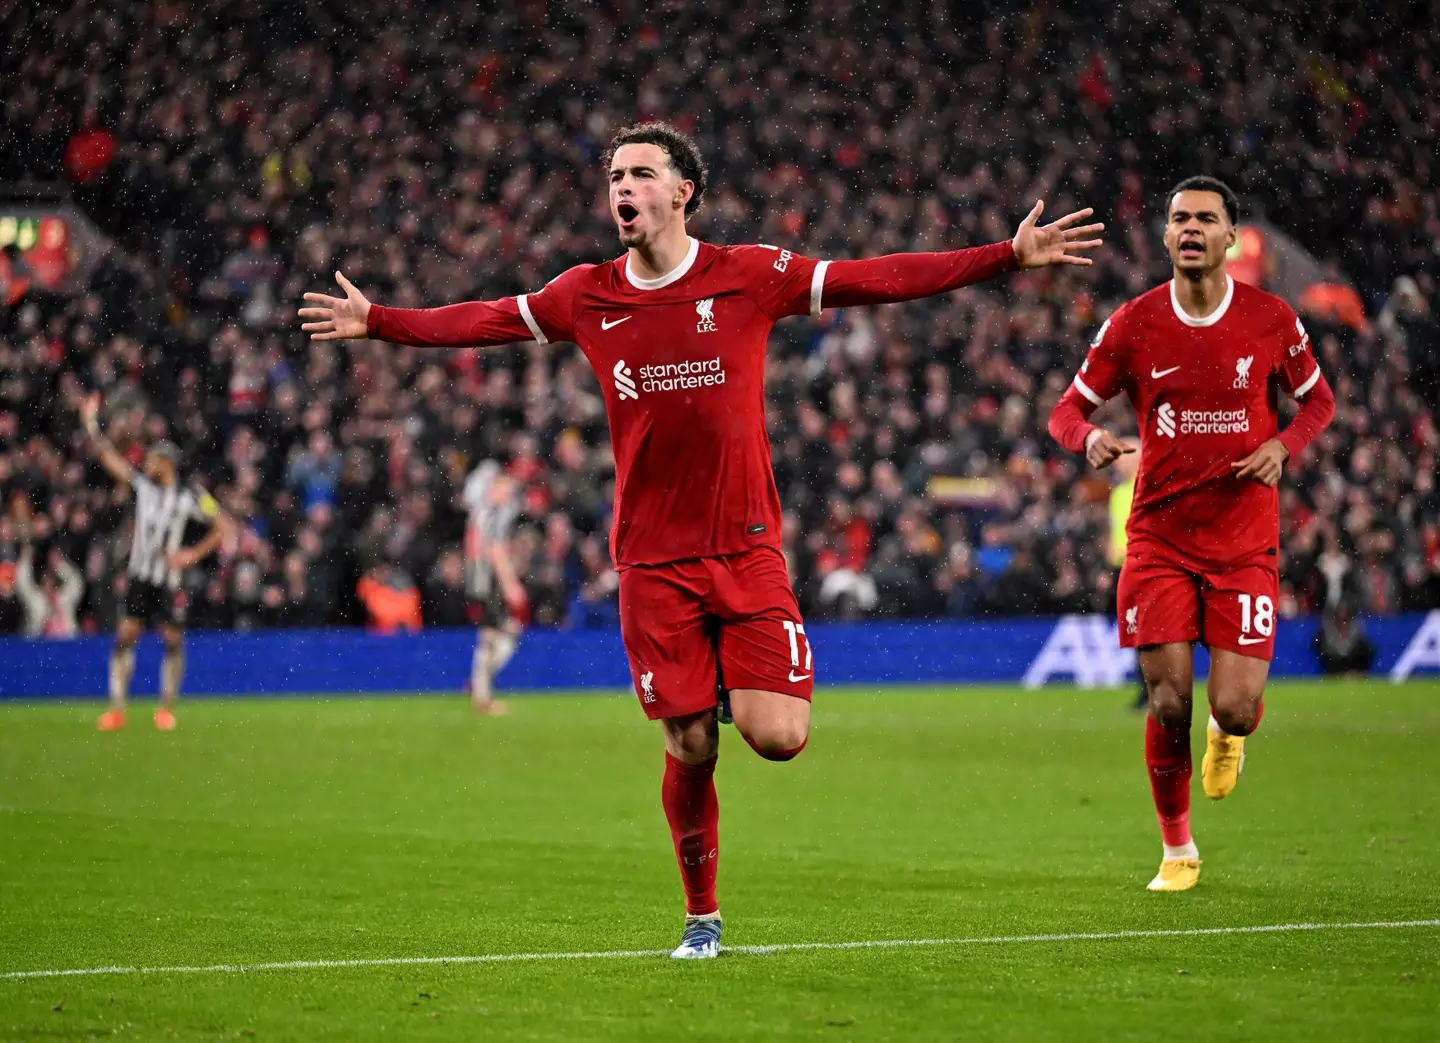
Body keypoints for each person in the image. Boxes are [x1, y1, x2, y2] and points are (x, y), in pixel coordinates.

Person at [300, 121, 1103, 956]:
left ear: (682, 192)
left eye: (641, 173)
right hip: (650, 560)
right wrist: (382, 321)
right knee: (689, 741)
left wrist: (1004, 256)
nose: (622, 187)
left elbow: (879, 279)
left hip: (746, 549)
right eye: (614, 174)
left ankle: (726, 677)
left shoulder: (751, 275)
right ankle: (702, 916)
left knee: (780, 736)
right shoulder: (587, 293)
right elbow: (484, 319)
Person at [1047, 176, 1335, 892]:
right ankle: (1178, 848)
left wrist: (1285, 445)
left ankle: (1227, 733)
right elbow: (1065, 411)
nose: (1192, 229)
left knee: (1234, 706)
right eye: (1180, 219)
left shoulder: (1270, 318)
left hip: (1242, 541)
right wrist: (1086, 439)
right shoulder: (1134, 324)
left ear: (1232, 236)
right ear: (1166, 235)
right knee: (1169, 698)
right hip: (1159, 539)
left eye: (1207, 219)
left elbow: (1318, 401)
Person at [80, 394, 233, 731]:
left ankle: (166, 708)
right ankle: (117, 708)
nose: (146, 462)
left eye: (152, 459)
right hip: (140, 576)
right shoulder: (142, 487)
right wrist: (90, 423)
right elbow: (108, 457)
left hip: (169, 580)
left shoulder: (192, 496)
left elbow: (223, 525)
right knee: (126, 635)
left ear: (167, 463)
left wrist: (193, 553)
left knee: (172, 639)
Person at [461, 460, 526, 715]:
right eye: (504, 489)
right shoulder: (492, 514)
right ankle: (481, 692)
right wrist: (510, 583)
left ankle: (480, 689)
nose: (507, 495)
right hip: (485, 581)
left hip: (479, 580)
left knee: (491, 635)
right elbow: (494, 549)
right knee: (503, 634)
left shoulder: (482, 512)